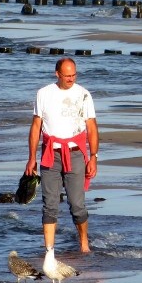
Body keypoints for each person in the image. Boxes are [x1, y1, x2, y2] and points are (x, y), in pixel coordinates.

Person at [24, 58, 99, 254]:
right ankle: (49, 249)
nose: (71, 79)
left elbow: (91, 128)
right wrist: (32, 158)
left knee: (77, 205)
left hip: (75, 154)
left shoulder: (84, 94)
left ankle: (84, 244)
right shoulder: (44, 94)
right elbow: (36, 127)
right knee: (49, 205)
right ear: (57, 73)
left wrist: (93, 156)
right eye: (67, 75)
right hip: (50, 155)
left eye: (74, 75)